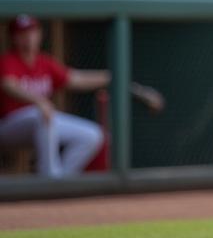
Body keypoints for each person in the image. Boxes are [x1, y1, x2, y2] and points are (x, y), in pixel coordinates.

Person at [0, 14, 163, 177]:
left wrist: (137, 89)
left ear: (40, 34)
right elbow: (8, 84)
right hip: (8, 126)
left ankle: (61, 180)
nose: (28, 37)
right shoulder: (7, 61)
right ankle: (49, 177)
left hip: (43, 121)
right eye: (22, 33)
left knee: (93, 135)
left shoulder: (45, 63)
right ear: (14, 38)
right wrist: (39, 100)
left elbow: (78, 78)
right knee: (41, 114)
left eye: (32, 32)